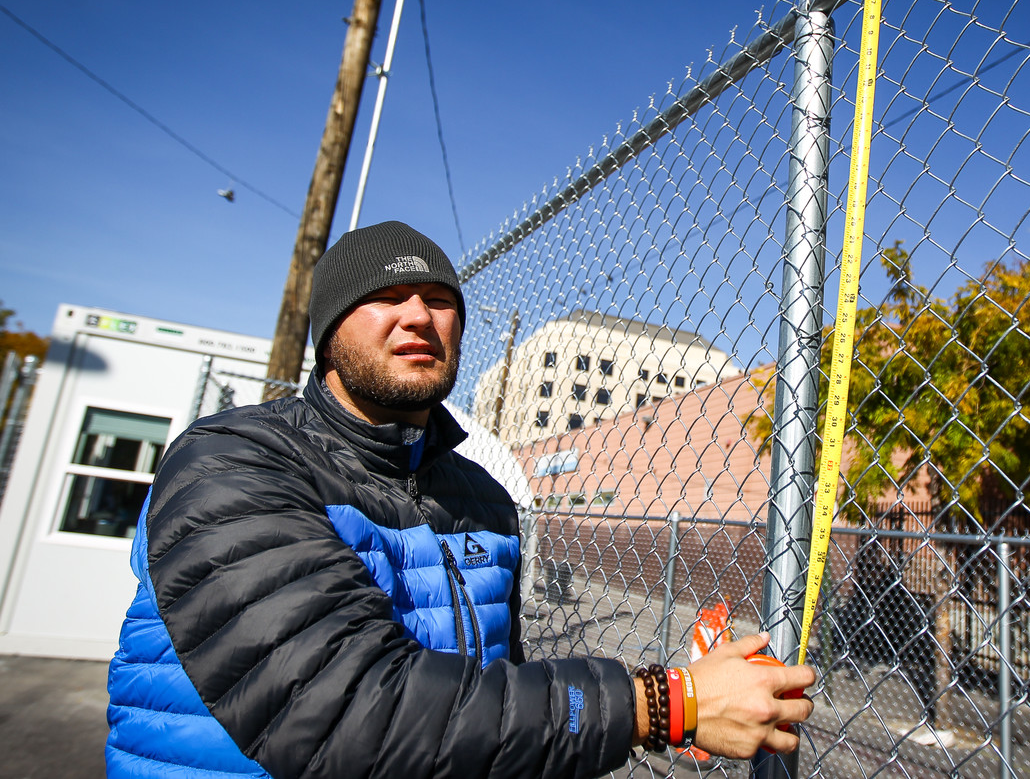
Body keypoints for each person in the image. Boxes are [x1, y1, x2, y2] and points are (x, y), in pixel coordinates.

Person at [104, 221, 814, 778]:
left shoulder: (486, 498)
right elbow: (352, 716)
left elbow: (489, 710)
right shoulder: (232, 462)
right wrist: (666, 704)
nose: (419, 315)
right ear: (328, 334)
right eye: (384, 297)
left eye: (440, 299)